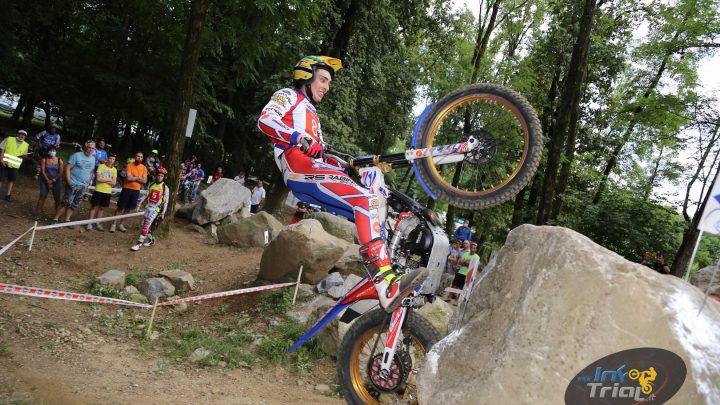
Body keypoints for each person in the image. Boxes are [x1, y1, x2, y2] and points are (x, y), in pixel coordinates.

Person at [257, 55, 425, 311]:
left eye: (328, 83)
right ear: (305, 75)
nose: (326, 86)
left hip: (314, 168)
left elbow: (322, 153)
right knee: (366, 200)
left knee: (377, 203)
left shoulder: (312, 113)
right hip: (299, 168)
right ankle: (383, 280)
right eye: (323, 80)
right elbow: (265, 120)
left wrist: (344, 165)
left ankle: (396, 268)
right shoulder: (288, 96)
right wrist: (298, 138)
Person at [52, 140, 96, 225]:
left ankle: (67, 220)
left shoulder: (93, 159)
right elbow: (68, 168)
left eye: (92, 148)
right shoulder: (77, 155)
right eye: (89, 147)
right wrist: (69, 181)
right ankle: (55, 219)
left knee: (75, 204)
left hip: (83, 185)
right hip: (73, 183)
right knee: (65, 202)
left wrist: (88, 183)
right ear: (85, 147)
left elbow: (91, 171)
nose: (90, 149)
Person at [131, 168, 169, 251]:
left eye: (161, 176)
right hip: (148, 207)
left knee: (146, 225)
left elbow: (166, 202)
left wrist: (163, 213)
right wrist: (140, 202)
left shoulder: (165, 188)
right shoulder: (151, 184)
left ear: (164, 177)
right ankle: (152, 240)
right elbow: (146, 195)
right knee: (145, 225)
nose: (159, 177)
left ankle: (138, 244)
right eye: (158, 175)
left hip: (155, 209)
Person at [110, 152, 147, 232]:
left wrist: (134, 178)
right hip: (127, 189)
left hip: (136, 190)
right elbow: (128, 178)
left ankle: (121, 224)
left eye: (141, 157)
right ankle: (113, 224)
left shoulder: (144, 168)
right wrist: (139, 177)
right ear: (135, 157)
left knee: (128, 209)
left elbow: (145, 180)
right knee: (120, 207)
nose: (139, 158)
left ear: (142, 159)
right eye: (138, 156)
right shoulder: (129, 165)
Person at [87, 153, 117, 231]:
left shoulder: (114, 170)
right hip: (98, 189)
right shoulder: (101, 166)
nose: (111, 161)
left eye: (113, 159)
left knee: (102, 208)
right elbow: (98, 179)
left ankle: (97, 223)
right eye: (110, 158)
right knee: (93, 206)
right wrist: (109, 179)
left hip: (107, 191)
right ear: (107, 159)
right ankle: (89, 223)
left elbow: (114, 183)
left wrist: (104, 179)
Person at [0, 130, 30, 201]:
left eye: (24, 135)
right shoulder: (9, 139)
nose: (22, 136)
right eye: (21, 134)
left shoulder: (26, 145)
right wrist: (1, 159)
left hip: (14, 165)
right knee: (0, 179)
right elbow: (2, 148)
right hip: (4, 163)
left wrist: (25, 156)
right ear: (18, 134)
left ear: (25, 137)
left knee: (11, 180)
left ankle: (8, 195)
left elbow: (24, 155)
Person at [35, 145, 64, 219]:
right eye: (51, 150)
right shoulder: (44, 160)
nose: (52, 152)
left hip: (56, 180)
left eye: (54, 151)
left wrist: (53, 180)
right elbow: (43, 171)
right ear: (48, 151)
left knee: (57, 198)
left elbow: (60, 172)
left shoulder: (59, 160)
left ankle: (57, 215)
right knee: (42, 196)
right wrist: (48, 181)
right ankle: (38, 213)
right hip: (45, 179)